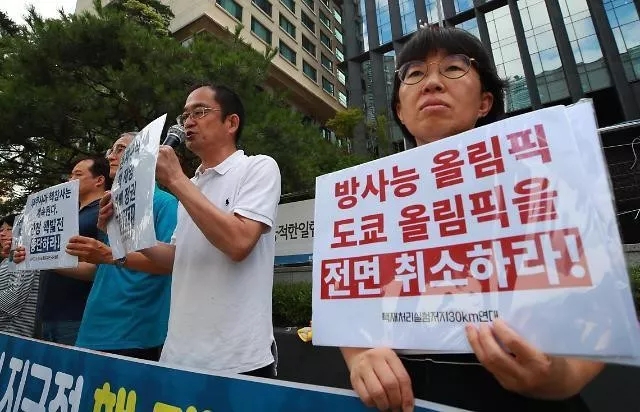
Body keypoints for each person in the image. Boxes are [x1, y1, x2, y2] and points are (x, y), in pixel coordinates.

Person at [340, 26, 604, 412]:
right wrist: (360, 354)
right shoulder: (364, 203)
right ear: (400, 110)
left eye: (453, 68)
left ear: (484, 102)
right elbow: (346, 299)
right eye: (414, 73)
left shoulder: (543, 182)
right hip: (403, 399)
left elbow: (600, 308)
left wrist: (559, 377)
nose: (432, 82)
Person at [100, 84, 281, 376]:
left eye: (200, 112)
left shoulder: (258, 168)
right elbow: (176, 258)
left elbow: (238, 243)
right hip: (179, 353)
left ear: (231, 123)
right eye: (185, 116)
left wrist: (176, 180)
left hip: (237, 357)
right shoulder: (191, 186)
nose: (188, 123)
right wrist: (124, 226)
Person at [15, 133, 178, 360]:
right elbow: (99, 269)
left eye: (120, 149)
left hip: (133, 329)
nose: (110, 156)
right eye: (111, 150)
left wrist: (108, 255)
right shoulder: (110, 207)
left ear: (145, 154)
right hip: (93, 326)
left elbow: (170, 264)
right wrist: (37, 257)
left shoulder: (165, 203)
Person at [36, 156, 111, 345]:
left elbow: (101, 269)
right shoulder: (65, 216)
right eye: (70, 175)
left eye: (78, 175)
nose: (70, 180)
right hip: (48, 314)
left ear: (99, 180)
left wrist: (45, 260)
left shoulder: (104, 212)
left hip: (77, 315)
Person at [0, 214, 40, 337]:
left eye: (9, 229)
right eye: (1, 230)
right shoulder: (7, 259)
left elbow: (14, 297)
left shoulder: (24, 255)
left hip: (15, 333)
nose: (2, 234)